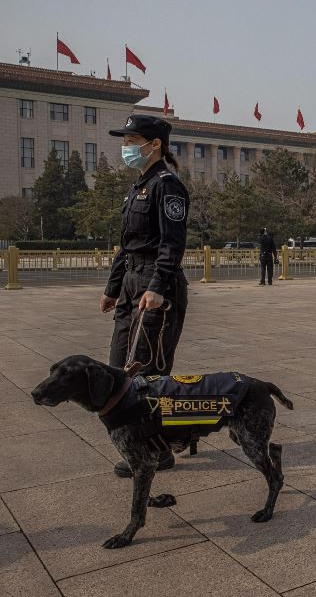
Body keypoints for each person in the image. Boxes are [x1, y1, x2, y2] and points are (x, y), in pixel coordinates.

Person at [101, 114, 190, 477]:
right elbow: (127, 246)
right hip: (131, 284)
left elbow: (172, 244)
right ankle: (153, 441)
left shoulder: (167, 186)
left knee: (147, 370)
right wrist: (112, 288)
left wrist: (156, 287)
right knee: (118, 365)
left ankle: (159, 450)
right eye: (124, 140)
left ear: (155, 145)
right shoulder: (138, 186)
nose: (126, 147)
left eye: (132, 140)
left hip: (157, 284)